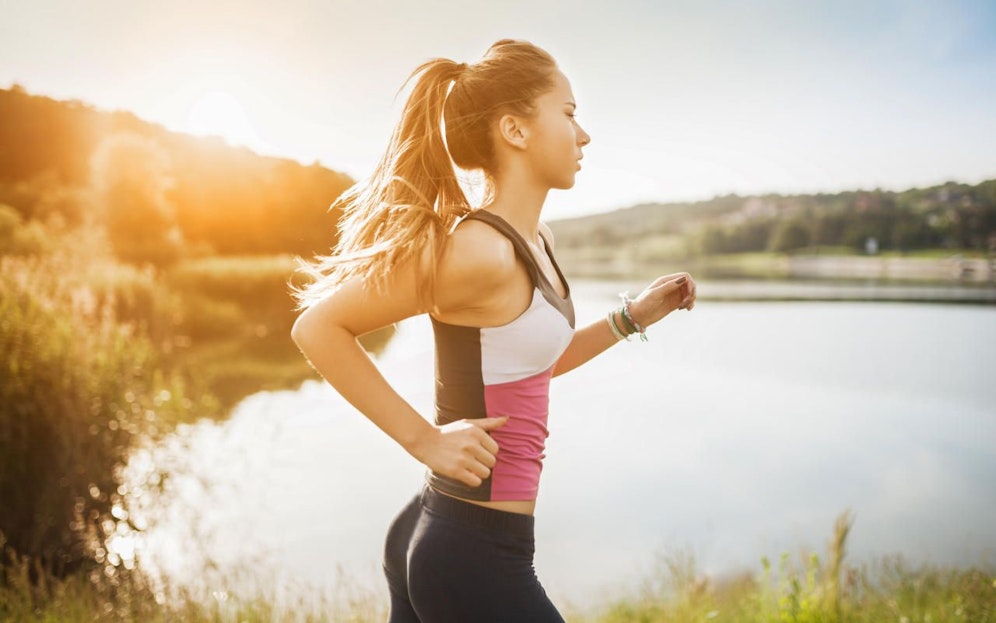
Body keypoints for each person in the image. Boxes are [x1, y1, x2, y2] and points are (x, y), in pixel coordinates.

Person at [290, 38, 697, 623]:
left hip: (457, 535)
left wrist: (630, 319)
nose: (583, 135)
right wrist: (423, 440)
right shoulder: (479, 251)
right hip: (469, 552)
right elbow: (319, 326)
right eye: (569, 113)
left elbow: (529, 364)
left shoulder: (536, 243)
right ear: (515, 129)